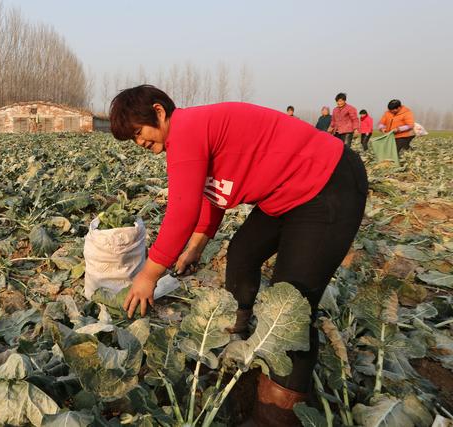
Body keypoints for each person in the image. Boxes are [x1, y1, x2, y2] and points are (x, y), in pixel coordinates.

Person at [110, 85, 368, 426]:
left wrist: (148, 275)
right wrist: (197, 246)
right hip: (286, 193)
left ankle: (275, 415)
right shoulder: (189, 133)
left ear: (159, 111)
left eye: (138, 132)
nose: (140, 143)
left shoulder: (186, 130)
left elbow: (182, 210)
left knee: (289, 307)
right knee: (243, 251)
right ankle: (237, 335)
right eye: (132, 139)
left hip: (327, 184)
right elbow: (210, 193)